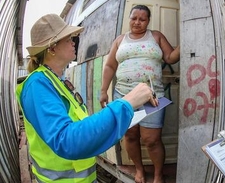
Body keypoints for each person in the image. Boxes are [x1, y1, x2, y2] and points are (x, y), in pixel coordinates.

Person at [16, 14, 157, 183]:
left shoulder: (58, 79)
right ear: (52, 48)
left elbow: (79, 126)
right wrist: (126, 103)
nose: (74, 42)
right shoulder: (37, 85)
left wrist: (123, 111)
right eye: (68, 39)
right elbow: (66, 140)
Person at [99, 5, 180, 183]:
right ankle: (139, 170)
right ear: (129, 18)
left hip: (153, 96)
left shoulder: (156, 36)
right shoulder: (120, 40)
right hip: (124, 96)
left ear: (148, 21)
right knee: (131, 135)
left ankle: (158, 174)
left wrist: (187, 40)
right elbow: (110, 65)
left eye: (142, 19)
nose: (137, 22)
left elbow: (171, 58)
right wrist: (103, 91)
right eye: (134, 18)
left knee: (152, 139)